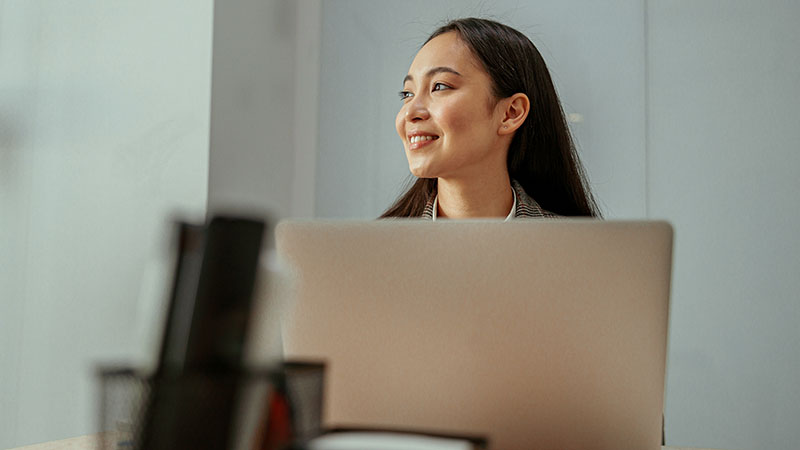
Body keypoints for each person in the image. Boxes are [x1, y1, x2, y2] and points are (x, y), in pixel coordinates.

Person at [380, 18, 601, 219]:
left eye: (440, 86)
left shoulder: (584, 252)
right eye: (407, 94)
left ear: (510, 113)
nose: (409, 113)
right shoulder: (375, 252)